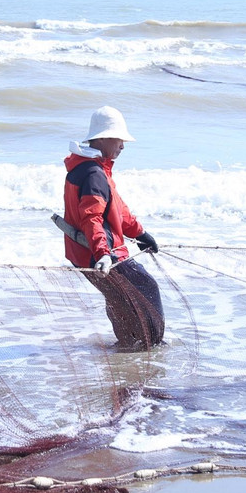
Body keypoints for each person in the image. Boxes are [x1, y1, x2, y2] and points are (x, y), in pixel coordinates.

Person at [62, 106, 165, 350]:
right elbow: (92, 218)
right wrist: (103, 255)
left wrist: (140, 234)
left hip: (89, 255)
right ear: (103, 138)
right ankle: (143, 349)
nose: (123, 145)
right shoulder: (93, 174)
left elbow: (117, 210)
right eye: (119, 139)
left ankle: (128, 347)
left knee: (120, 300)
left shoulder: (91, 168)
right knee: (146, 290)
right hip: (101, 256)